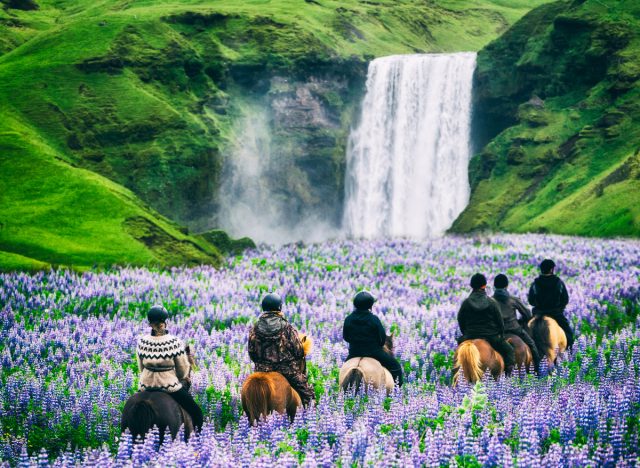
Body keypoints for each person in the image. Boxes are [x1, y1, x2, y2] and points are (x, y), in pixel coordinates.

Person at [136, 305, 204, 431]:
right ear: (165, 323)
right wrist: (179, 378)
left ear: (150, 323)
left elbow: (141, 367)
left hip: (145, 386)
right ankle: (198, 440)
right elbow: (183, 370)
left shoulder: (142, 342)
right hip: (169, 386)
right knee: (196, 412)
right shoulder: (174, 342)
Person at [248, 293, 315, 407]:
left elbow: (251, 352)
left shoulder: (255, 327)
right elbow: (298, 351)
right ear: (279, 307)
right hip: (286, 370)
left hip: (262, 370)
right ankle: (310, 414)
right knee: (307, 393)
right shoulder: (286, 326)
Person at [457, 273, 516, 375]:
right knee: (509, 351)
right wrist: (501, 335)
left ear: (471, 286)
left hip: (470, 335)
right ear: (484, 286)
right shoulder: (491, 302)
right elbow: (500, 322)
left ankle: (456, 373)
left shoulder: (466, 303)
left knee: (459, 350)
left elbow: (460, 320)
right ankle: (508, 377)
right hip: (491, 336)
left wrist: (465, 334)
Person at [343, 291, 403, 386]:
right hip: (374, 352)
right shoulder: (373, 319)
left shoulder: (348, 319)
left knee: (343, 369)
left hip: (354, 352)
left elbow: (346, 337)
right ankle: (397, 393)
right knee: (396, 367)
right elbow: (382, 339)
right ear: (370, 306)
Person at [493, 273, 541, 371]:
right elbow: (527, 314)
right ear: (506, 286)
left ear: (494, 286)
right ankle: (538, 370)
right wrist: (520, 321)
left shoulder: (490, 300)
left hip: (496, 332)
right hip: (514, 330)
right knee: (532, 344)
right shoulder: (513, 300)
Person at [528, 259, 574, 349]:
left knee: (525, 333)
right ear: (552, 269)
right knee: (568, 335)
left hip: (538, 314)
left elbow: (531, 301)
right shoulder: (558, 282)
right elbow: (565, 300)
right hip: (555, 314)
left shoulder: (535, 283)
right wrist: (559, 307)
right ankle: (570, 352)